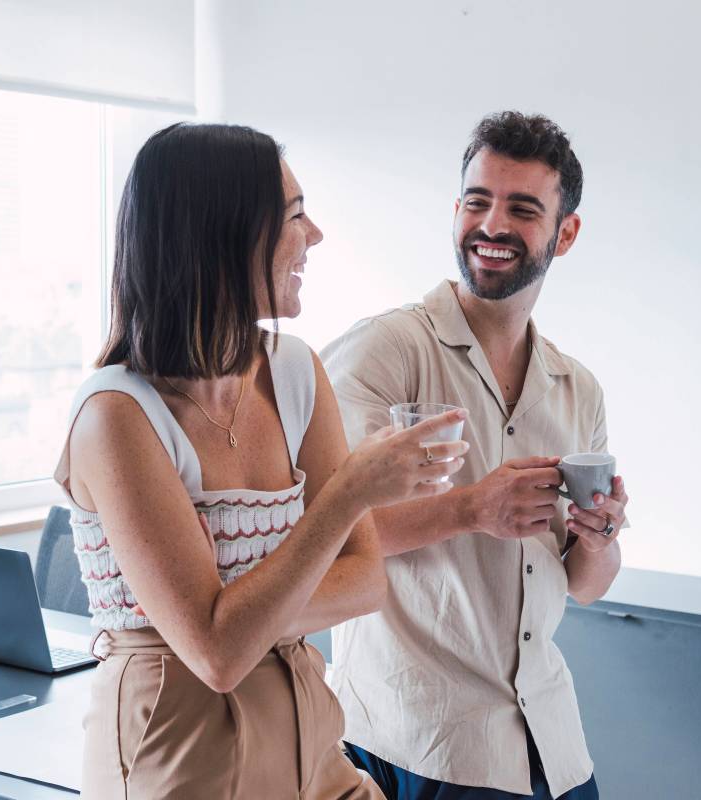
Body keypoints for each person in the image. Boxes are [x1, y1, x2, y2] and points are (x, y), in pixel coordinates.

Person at [53, 122, 469, 799]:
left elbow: (365, 581)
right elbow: (217, 658)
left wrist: (242, 620)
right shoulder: (116, 417)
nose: (317, 237)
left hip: (314, 748)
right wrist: (346, 497)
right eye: (296, 216)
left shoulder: (297, 372)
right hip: (179, 765)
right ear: (223, 236)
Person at [322, 111, 631, 800]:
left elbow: (584, 583)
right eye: (476, 201)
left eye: (522, 209)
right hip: (419, 742)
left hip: (550, 746)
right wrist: (470, 508)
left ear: (566, 232)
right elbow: (322, 533)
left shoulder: (577, 388)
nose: (492, 225)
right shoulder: (385, 352)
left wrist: (600, 535)